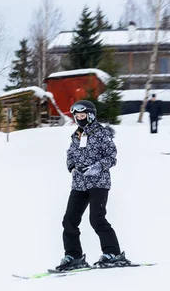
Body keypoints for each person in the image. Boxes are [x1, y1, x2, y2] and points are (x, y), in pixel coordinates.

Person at [55, 100, 130, 272]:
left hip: (99, 183)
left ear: (90, 115)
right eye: (77, 116)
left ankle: (112, 253)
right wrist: (72, 167)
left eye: (82, 115)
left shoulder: (101, 133)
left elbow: (112, 156)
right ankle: (73, 256)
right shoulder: (76, 135)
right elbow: (70, 154)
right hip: (79, 184)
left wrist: (96, 167)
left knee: (97, 218)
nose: (79, 119)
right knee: (69, 220)